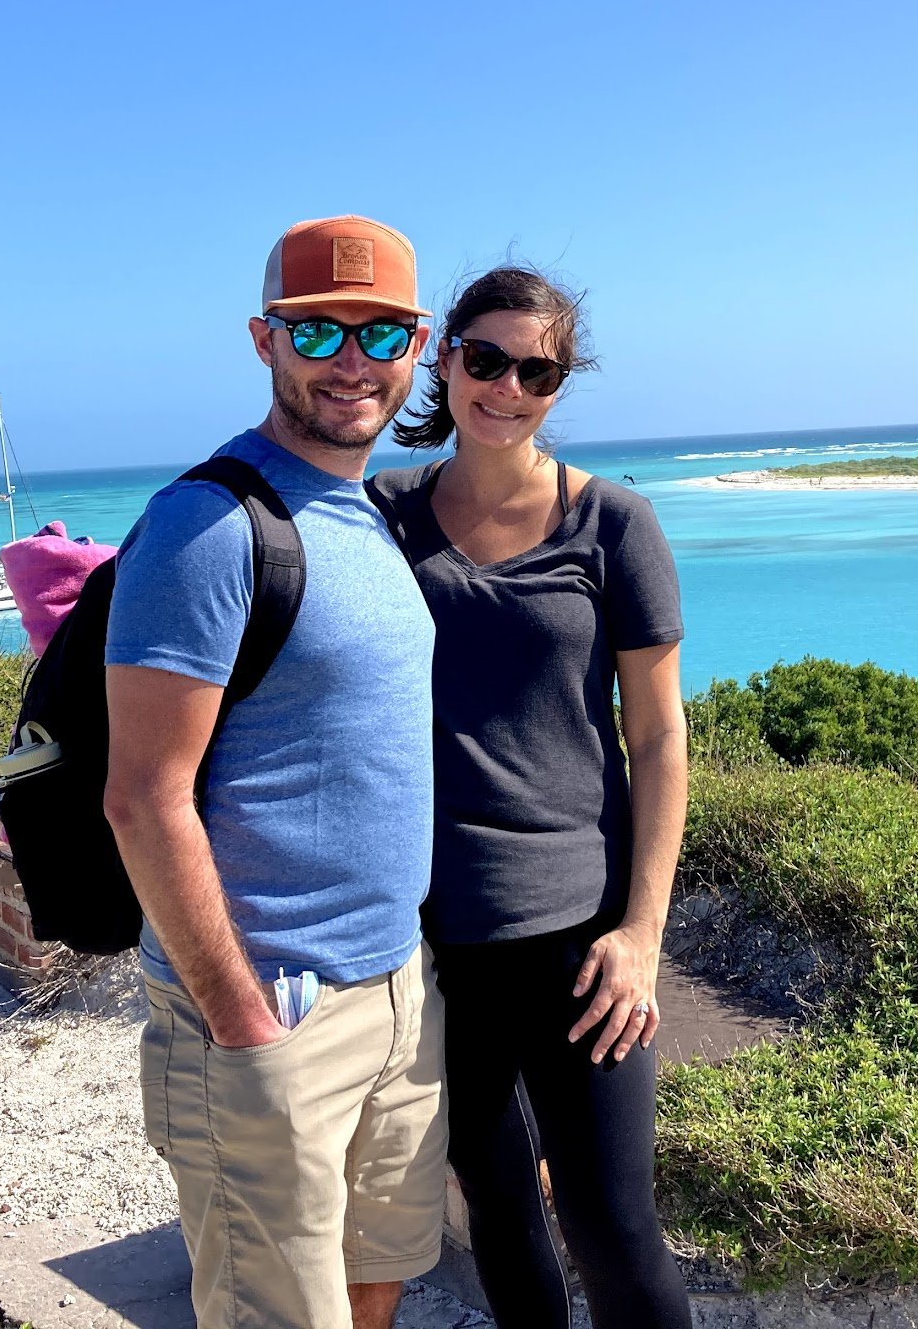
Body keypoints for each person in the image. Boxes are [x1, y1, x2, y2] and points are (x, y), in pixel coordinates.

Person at [103, 216, 446, 1329]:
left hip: (394, 988)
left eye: (380, 333)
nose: (351, 360)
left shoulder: (367, 513)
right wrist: (239, 1020)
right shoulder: (206, 525)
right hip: (270, 1007)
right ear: (264, 339)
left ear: (416, 346)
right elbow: (142, 794)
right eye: (317, 333)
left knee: (373, 1280)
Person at [371, 266, 694, 1329]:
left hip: (579, 939)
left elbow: (655, 737)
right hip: (429, 942)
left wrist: (641, 932)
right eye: (485, 357)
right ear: (442, 355)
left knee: (611, 1224)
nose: (506, 385)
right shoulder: (379, 516)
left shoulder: (613, 525)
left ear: (559, 383)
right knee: (500, 1207)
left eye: (536, 368)